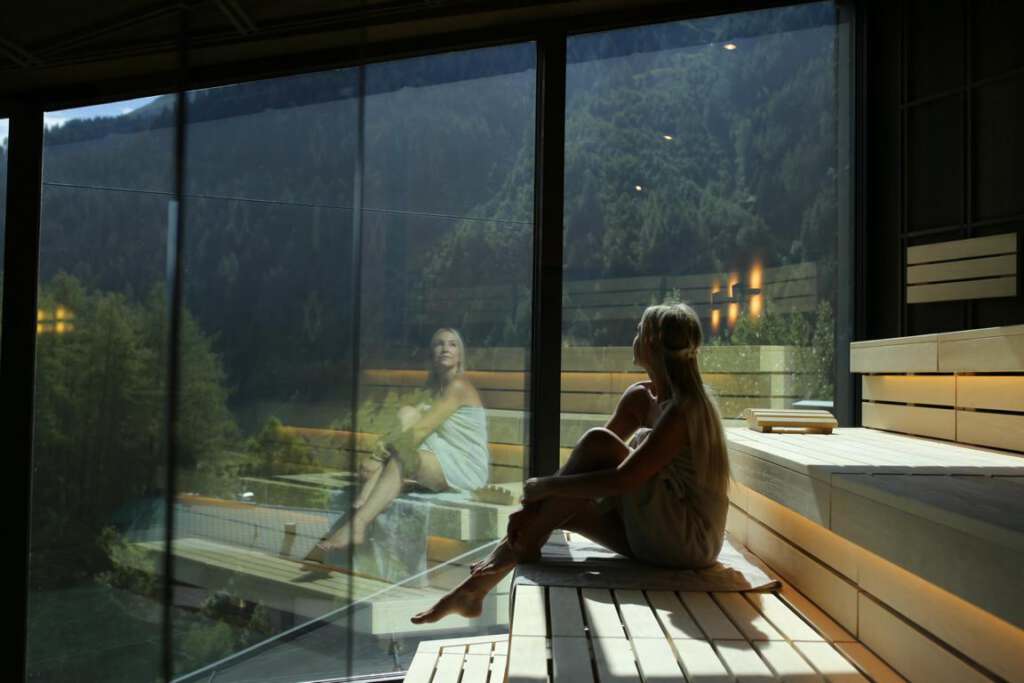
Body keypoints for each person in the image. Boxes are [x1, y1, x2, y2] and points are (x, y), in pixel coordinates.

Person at [411, 302, 730, 624]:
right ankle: (477, 587)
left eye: (637, 332)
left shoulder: (685, 410)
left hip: (688, 542)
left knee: (593, 447)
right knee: (564, 507)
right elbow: (588, 468)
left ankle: (489, 572)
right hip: (656, 534)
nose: (633, 339)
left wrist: (545, 487)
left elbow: (623, 478)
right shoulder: (641, 399)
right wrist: (540, 505)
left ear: (650, 343)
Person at [303, 328, 489, 568]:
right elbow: (410, 427)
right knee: (408, 413)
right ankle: (369, 494)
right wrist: (379, 461)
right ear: (431, 353)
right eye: (439, 344)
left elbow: (420, 433)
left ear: (460, 355)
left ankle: (359, 521)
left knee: (402, 455)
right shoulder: (434, 389)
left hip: (465, 466)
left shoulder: (459, 386)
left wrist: (377, 457)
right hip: (441, 455)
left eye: (452, 344)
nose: (445, 348)